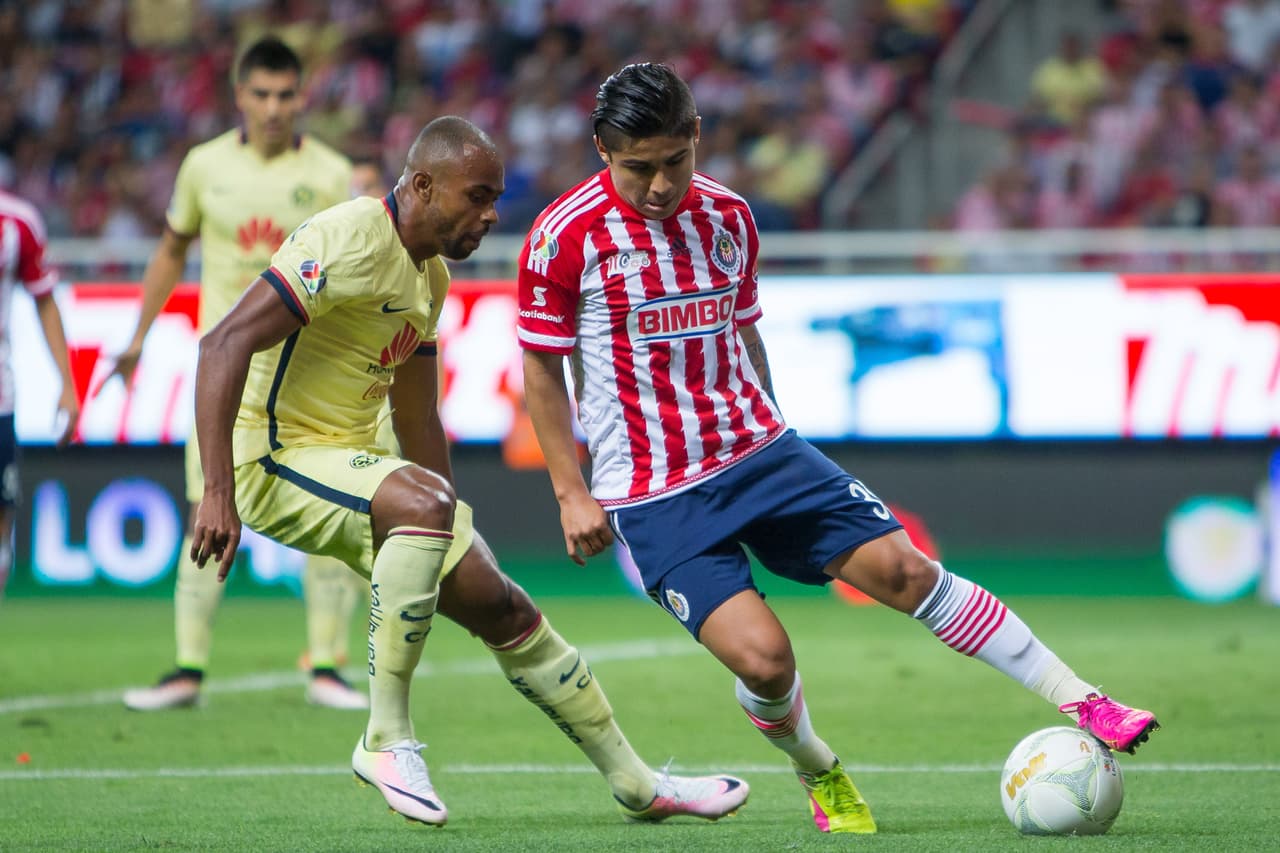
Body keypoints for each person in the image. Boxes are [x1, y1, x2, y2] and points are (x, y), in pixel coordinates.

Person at [517, 63, 1160, 836]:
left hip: (760, 449)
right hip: (655, 489)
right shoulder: (563, 237)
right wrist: (570, 489)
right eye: (638, 168)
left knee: (906, 570)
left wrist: (781, 436)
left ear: (697, 137)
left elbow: (746, 332)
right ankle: (818, 766)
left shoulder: (728, 217)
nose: (659, 185)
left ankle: (1081, 695)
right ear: (602, 150)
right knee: (765, 662)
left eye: (673, 162)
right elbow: (541, 371)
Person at [187, 114, 749, 827]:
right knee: (425, 508)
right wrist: (217, 491)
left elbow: (419, 418)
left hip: (355, 463)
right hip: (272, 454)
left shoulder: (431, 275)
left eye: (495, 199)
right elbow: (222, 343)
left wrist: (447, 513)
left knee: (504, 604)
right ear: (422, 185)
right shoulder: (349, 237)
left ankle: (638, 783)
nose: (490, 215)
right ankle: (385, 738)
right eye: (477, 196)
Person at [110, 37, 367, 711]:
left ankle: (326, 666)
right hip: (223, 367)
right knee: (208, 505)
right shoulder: (204, 167)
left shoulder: (334, 174)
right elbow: (171, 250)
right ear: (239, 95)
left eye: (286, 95)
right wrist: (137, 335)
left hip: (305, 371)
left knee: (332, 509)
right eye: (262, 94)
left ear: (303, 97)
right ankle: (188, 668)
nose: (275, 108)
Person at [0, 189, 79, 601]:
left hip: (1, 399)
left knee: (2, 523)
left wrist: (67, 384)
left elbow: (44, 301)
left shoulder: (17, 222)